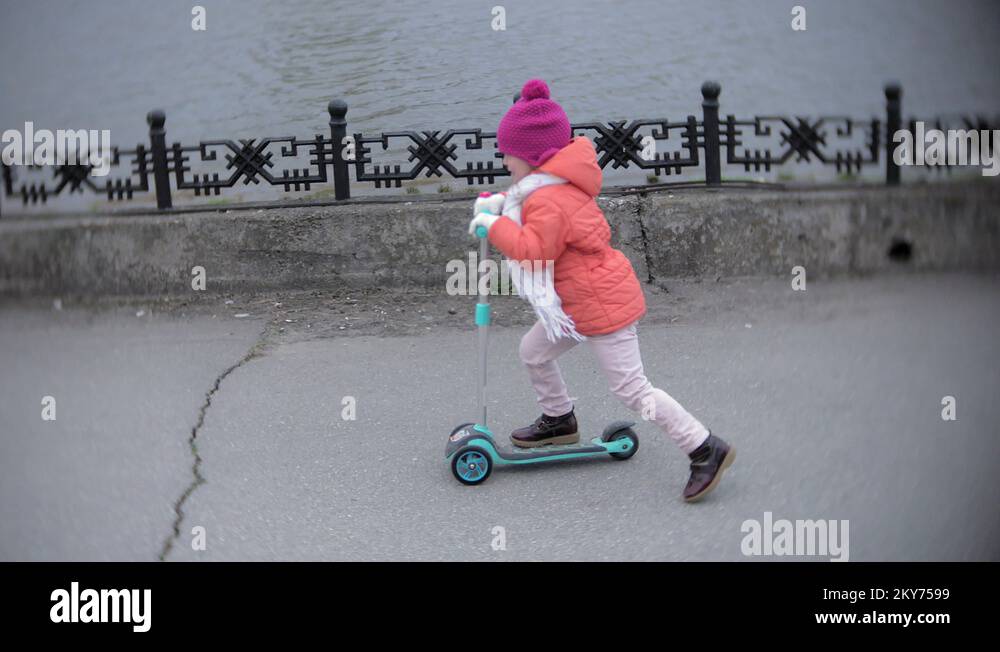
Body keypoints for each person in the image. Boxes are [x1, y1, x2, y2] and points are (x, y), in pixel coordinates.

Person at [467, 79, 735, 502]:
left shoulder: (547, 198)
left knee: (633, 392)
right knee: (533, 352)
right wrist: (501, 205)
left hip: (601, 306)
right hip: (573, 305)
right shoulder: (545, 187)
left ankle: (704, 448)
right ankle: (559, 420)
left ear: (533, 158)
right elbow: (532, 213)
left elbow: (536, 251)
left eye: (508, 152)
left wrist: (494, 225)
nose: (504, 159)